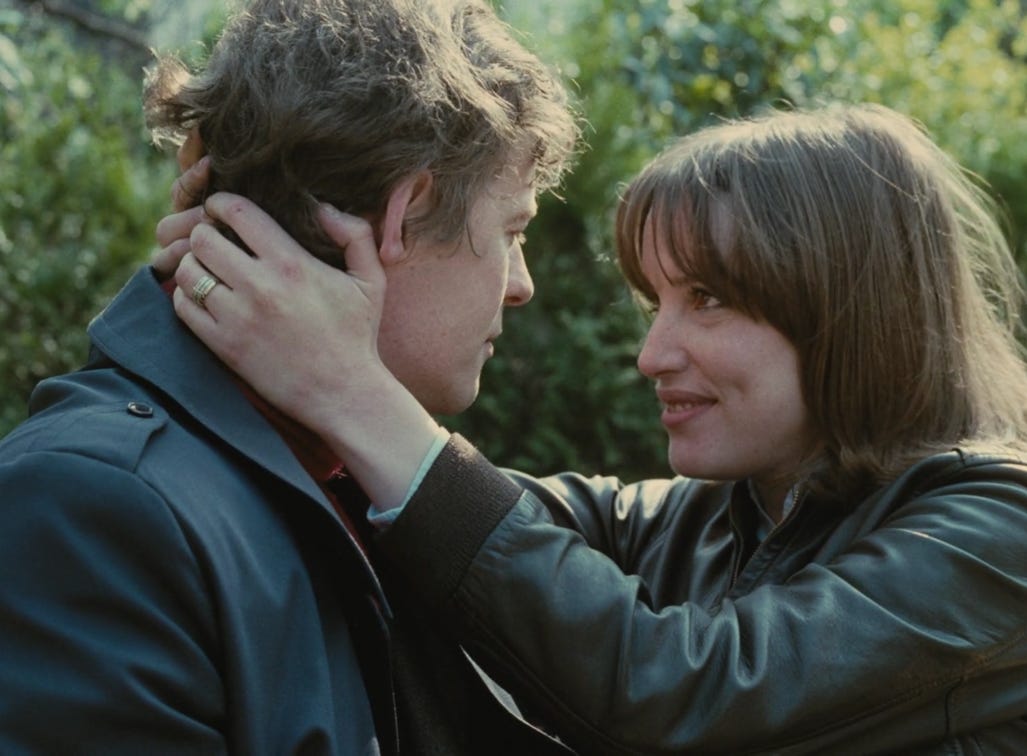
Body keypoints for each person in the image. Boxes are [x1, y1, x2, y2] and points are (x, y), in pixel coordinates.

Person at [161, 103, 1027, 753]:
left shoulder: (999, 533)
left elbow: (683, 693)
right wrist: (255, 309)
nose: (652, 354)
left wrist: (349, 390)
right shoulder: (708, 521)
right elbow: (467, 527)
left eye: (710, 300)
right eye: (656, 303)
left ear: (852, 314)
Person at [0, 0, 578, 752]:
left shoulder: (352, 473)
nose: (520, 285)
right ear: (407, 211)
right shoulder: (97, 504)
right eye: (513, 232)